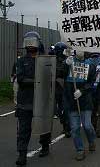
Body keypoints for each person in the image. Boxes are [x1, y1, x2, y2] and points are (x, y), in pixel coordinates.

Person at [15, 32, 51, 166]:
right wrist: (37, 82)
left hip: (41, 99)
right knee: (24, 129)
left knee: (43, 125)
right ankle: (22, 154)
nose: (30, 44)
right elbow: (21, 79)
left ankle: (45, 146)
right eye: (28, 41)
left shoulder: (45, 60)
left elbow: (50, 78)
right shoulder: (21, 60)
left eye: (32, 41)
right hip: (25, 101)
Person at [64, 50, 97, 161]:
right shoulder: (69, 62)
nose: (79, 51)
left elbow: (91, 83)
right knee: (75, 128)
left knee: (87, 125)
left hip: (85, 101)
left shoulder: (90, 64)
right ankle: (80, 150)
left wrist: (82, 91)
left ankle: (91, 141)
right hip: (72, 101)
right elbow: (60, 75)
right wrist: (65, 65)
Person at [53, 42, 71, 137]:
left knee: (65, 109)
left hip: (65, 88)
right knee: (59, 110)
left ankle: (67, 127)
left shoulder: (68, 61)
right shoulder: (53, 60)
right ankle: (65, 126)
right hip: (57, 88)